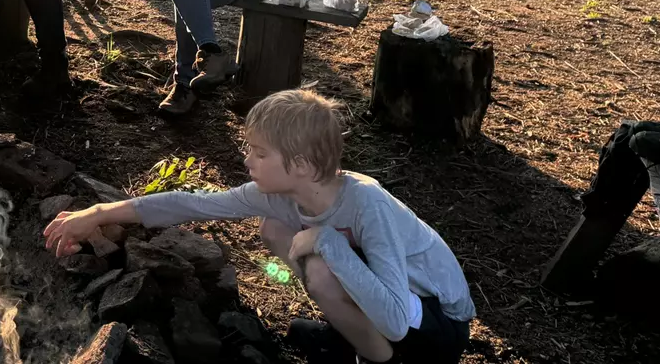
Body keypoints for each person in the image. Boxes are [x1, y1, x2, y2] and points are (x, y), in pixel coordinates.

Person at [42, 90, 475, 364]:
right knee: (274, 229)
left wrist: (325, 240)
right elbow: (189, 205)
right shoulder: (278, 194)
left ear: (302, 165)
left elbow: (399, 320)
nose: (247, 161)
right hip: (385, 297)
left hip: (434, 324)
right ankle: (352, 334)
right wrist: (97, 214)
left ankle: (372, 355)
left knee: (321, 263)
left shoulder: (367, 204)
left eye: (259, 153)